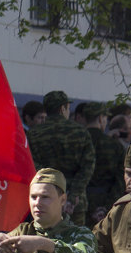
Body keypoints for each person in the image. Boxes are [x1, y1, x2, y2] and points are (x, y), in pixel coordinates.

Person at [27, 90, 95, 224]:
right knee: (76, 241)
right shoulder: (80, 132)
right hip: (75, 203)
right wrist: (73, 195)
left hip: (44, 201)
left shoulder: (34, 134)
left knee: (44, 240)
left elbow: (32, 166)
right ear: (62, 108)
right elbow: (88, 166)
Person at [80, 101, 125, 224]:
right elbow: (121, 179)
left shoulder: (74, 143)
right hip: (105, 200)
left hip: (78, 201)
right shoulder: (115, 145)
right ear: (101, 118)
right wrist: (109, 205)